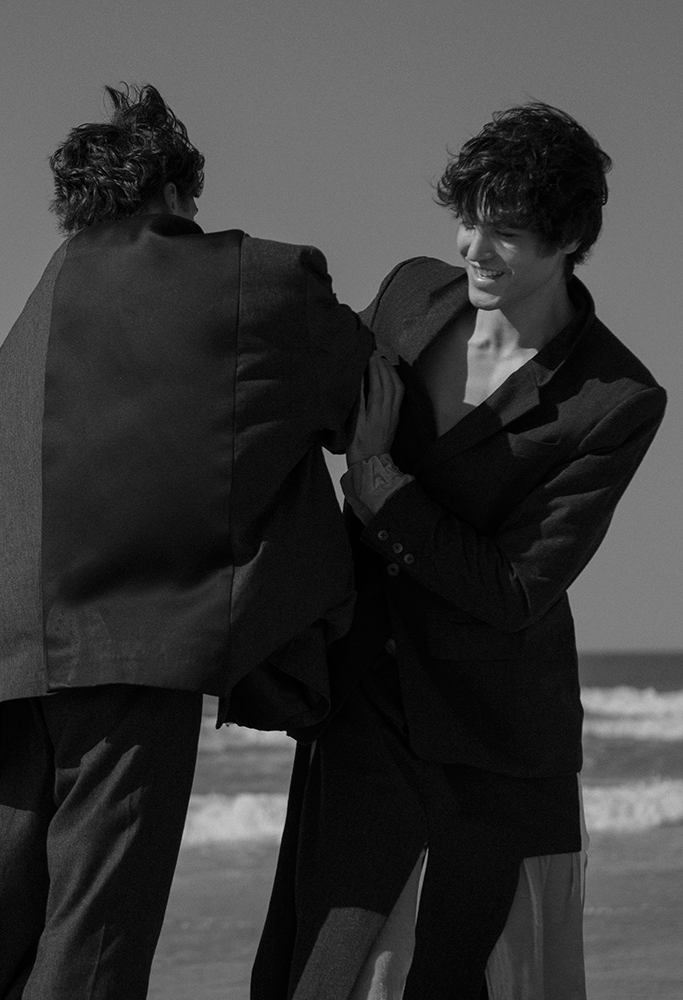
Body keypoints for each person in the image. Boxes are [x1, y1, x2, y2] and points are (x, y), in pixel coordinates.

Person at [0, 83, 372, 1000]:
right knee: (95, 935)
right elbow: (356, 395)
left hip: (2, 657)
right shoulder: (262, 282)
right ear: (171, 193)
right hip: (132, 642)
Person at [252, 103, 667, 999]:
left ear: (568, 240)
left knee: (472, 977)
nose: (474, 248)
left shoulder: (616, 399)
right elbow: (303, 398)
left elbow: (515, 588)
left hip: (493, 734)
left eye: (505, 231)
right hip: (361, 696)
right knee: (326, 970)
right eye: (468, 218)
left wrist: (377, 479)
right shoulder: (411, 294)